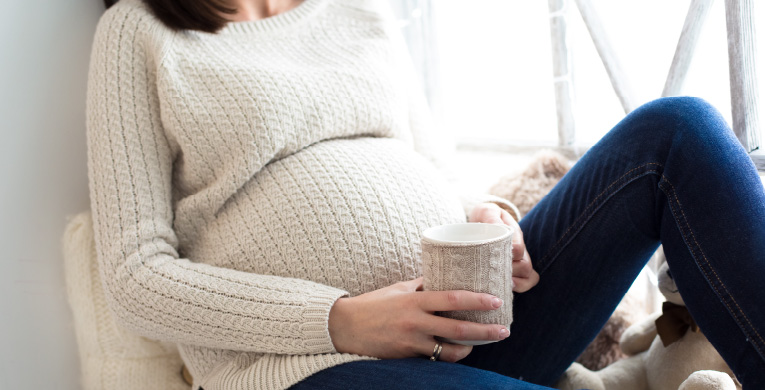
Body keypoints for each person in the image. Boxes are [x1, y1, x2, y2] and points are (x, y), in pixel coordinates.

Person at [86, 0, 765, 389]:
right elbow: (134, 274)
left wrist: (491, 220)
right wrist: (341, 318)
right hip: (315, 369)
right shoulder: (138, 33)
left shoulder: (353, 11)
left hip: (482, 324)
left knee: (676, 132)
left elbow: (438, 174)